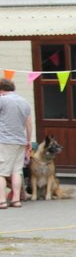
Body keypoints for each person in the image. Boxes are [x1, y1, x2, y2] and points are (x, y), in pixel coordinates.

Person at [0, 78, 32, 208]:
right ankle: (16, 200)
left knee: (1, 172)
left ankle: (1, 201)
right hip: (20, 141)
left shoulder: (2, 100)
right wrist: (28, 141)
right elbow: (28, 124)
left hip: (5, 141)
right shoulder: (24, 102)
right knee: (17, 171)